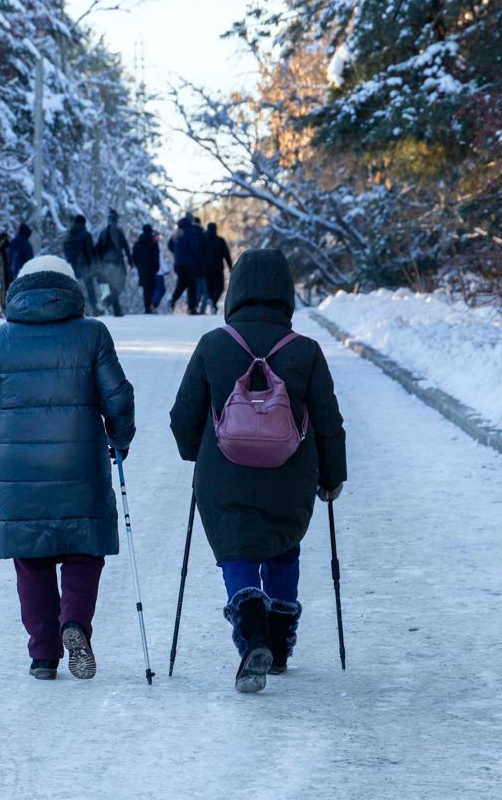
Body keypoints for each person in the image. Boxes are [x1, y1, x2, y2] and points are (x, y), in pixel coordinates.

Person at [168, 248, 347, 693]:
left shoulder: (214, 344)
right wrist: (332, 475)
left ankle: (253, 632)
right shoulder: (305, 350)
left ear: (237, 292)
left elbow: (182, 415)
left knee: (237, 550)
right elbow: (328, 420)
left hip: (223, 472)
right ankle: (281, 647)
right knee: (283, 547)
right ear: (285, 294)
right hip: (291, 474)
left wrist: (195, 453)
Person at [0, 254, 136, 681]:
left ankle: (43, 655)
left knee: (31, 558)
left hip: (18, 470)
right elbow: (118, 398)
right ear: (69, 289)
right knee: (84, 548)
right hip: (81, 462)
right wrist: (120, 438)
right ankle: (74, 622)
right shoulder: (92, 334)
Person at [93, 208, 132, 317]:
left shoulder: (103, 232)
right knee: (120, 286)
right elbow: (126, 247)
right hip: (117, 264)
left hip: (106, 264)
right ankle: (107, 301)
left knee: (112, 285)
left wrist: (97, 265)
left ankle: (117, 311)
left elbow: (97, 250)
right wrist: (130, 261)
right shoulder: (119, 232)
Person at [63, 214, 100, 314]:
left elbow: (65, 249)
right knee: (90, 288)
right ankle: (95, 309)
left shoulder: (69, 235)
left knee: (74, 289)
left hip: (72, 266)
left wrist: (70, 261)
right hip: (85, 267)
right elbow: (90, 252)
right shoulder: (86, 234)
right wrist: (94, 266)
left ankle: (72, 310)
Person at [167, 216, 204, 314]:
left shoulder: (176, 232)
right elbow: (194, 247)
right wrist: (197, 257)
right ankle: (192, 308)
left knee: (181, 284)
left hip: (179, 264)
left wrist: (177, 254)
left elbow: (170, 245)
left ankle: (173, 300)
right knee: (192, 285)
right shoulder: (191, 232)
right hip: (190, 264)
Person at [202, 222, 233, 315]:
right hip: (218, 268)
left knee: (210, 288)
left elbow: (199, 255)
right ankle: (213, 302)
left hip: (206, 268)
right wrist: (230, 267)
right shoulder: (220, 240)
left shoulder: (203, 241)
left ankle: (212, 302)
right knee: (220, 287)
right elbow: (226, 254)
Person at [131, 224, 161, 314]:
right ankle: (149, 307)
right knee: (151, 288)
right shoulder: (153, 243)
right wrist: (156, 268)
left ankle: (146, 307)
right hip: (151, 269)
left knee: (145, 289)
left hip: (142, 269)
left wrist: (139, 266)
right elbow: (156, 257)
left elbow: (134, 257)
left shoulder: (137, 243)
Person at [0, 232, 12, 317]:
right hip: (12, 273)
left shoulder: (0, 248)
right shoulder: (11, 246)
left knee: (5, 291)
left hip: (3, 274)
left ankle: (5, 310)